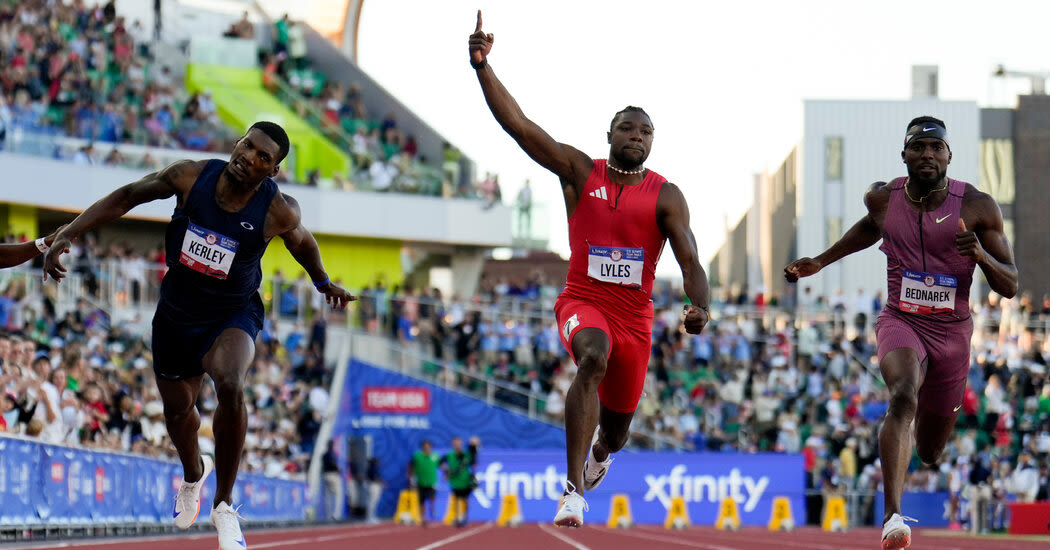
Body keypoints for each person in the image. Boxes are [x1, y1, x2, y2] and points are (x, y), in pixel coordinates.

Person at [43, 121, 355, 550]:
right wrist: (69, 231)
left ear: (273, 170)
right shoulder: (190, 176)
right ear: (237, 143)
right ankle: (194, 474)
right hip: (176, 313)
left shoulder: (277, 209)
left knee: (231, 382)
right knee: (178, 412)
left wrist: (323, 284)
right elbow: (127, 196)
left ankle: (224, 506)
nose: (250, 157)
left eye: (264, 157)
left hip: (232, 313)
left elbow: (302, 244)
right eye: (249, 146)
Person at [468, 10, 710, 528]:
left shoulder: (666, 195)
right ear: (609, 133)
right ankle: (573, 489)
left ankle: (602, 454)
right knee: (591, 359)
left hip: (636, 322)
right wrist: (483, 67)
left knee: (619, 430)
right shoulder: (580, 171)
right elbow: (520, 127)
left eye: (646, 131)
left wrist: (699, 305)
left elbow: (689, 255)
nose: (637, 136)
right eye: (628, 127)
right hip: (583, 302)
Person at [784, 116, 1017, 550]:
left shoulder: (978, 207)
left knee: (930, 451)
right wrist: (820, 260)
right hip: (901, 320)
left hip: (952, 335)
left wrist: (981, 256)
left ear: (949, 156)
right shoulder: (883, 198)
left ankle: (920, 457)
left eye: (936, 148)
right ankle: (893, 518)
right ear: (904, 155)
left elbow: (1011, 285)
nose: (927, 154)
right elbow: (869, 230)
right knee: (903, 395)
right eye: (919, 147)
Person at [440, 436, 479, 527]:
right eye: (455, 443)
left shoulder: (466, 454)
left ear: (461, 444)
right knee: (456, 499)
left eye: (458, 443)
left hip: (466, 480)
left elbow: (474, 461)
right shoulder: (449, 455)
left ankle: (464, 517)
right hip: (455, 481)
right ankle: (457, 517)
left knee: (465, 499)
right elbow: (440, 462)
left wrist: (473, 476)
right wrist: (446, 471)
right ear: (452, 444)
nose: (457, 445)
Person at [409, 439, 439, 526]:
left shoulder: (435, 456)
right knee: (421, 501)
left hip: (432, 481)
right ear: (422, 447)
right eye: (424, 446)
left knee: (431, 498)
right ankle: (423, 518)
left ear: (431, 447)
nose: (426, 448)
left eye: (428, 446)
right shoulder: (417, 456)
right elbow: (411, 466)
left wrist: (446, 473)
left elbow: (442, 465)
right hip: (420, 481)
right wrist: (411, 478)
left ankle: (432, 507)